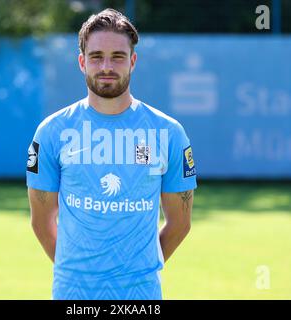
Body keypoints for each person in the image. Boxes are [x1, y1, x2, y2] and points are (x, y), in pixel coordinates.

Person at [27, 8, 197, 300]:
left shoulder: (168, 133)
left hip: (140, 295)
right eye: (96, 57)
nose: (107, 66)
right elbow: (41, 221)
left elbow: (180, 223)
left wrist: (139, 271)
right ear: (82, 62)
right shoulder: (51, 133)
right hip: (73, 295)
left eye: (118, 56)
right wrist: (78, 274)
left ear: (132, 61)